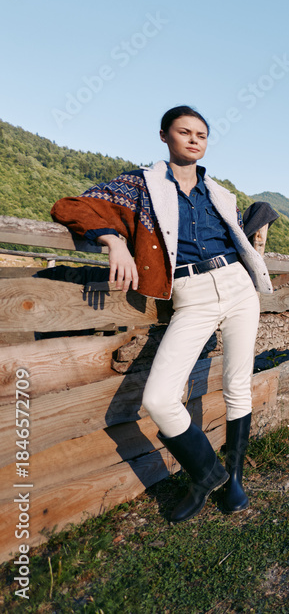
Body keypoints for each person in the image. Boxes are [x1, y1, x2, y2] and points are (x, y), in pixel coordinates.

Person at [51, 105, 274, 522]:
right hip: (190, 293)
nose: (194, 140)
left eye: (201, 135)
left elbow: (236, 234)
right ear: (163, 136)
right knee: (158, 397)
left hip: (237, 286)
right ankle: (209, 474)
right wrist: (114, 242)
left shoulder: (219, 191)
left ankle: (236, 481)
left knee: (236, 385)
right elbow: (71, 207)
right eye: (184, 131)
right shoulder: (140, 185)